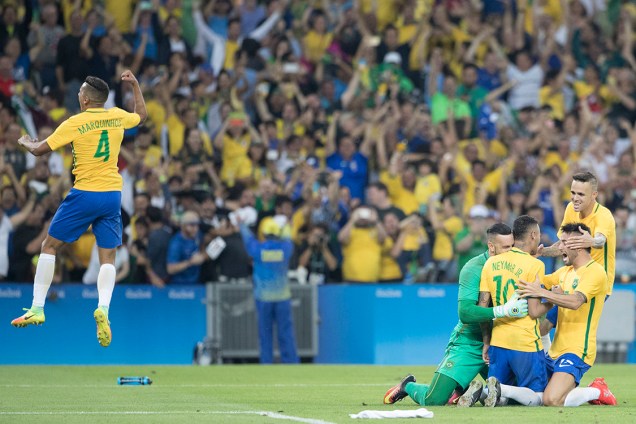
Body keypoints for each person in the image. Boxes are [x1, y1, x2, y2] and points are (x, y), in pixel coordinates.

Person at [10, 71, 147, 349]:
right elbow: (141, 115)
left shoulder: (74, 122)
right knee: (108, 257)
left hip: (84, 193)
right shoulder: (117, 116)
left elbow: (39, 151)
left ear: (84, 99)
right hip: (111, 195)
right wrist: (134, 84)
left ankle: (37, 307)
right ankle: (104, 310)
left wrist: (25, 142)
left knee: (49, 246)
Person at [383, 223, 529, 407]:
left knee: (515, 399)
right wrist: (502, 311)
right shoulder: (473, 268)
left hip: (499, 342)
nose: (511, 252)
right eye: (506, 247)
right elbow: (465, 313)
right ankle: (408, 386)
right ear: (491, 246)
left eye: (512, 246)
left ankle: (465, 390)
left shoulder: (515, 265)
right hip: (469, 342)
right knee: (434, 400)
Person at [509, 222, 617, 407]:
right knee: (536, 395)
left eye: (564, 242)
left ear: (579, 245)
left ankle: (597, 390)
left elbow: (575, 301)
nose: (559, 247)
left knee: (551, 400)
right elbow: (534, 279)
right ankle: (570, 389)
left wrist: (544, 293)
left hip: (578, 351)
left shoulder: (596, 272)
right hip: (554, 352)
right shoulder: (564, 272)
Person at [475, 215, 547, 407]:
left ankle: (484, 391)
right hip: (525, 343)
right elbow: (534, 311)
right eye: (539, 234)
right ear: (533, 234)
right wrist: (552, 300)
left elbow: (483, 308)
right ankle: (497, 389)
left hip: (498, 342)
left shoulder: (490, 263)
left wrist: (486, 341)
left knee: (501, 402)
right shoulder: (535, 265)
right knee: (537, 397)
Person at [539, 172, 616, 350]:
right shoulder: (570, 210)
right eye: (573, 193)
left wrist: (591, 241)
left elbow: (600, 241)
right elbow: (562, 245)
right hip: (570, 276)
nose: (575, 198)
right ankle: (546, 368)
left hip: (595, 281)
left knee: (563, 328)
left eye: (581, 194)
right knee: (545, 326)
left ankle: (563, 369)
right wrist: (542, 252)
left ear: (594, 195)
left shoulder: (604, 216)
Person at [239, 216, 299, 364]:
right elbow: (288, 237)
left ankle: (266, 363)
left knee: (265, 334)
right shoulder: (285, 249)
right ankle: (291, 363)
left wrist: (242, 224)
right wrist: (286, 226)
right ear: (277, 234)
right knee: (286, 333)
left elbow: (248, 239)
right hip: (283, 297)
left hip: (263, 298)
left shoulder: (258, 250)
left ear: (264, 234)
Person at [166, 210, 208, 285]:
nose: (196, 228)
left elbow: (203, 244)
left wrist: (203, 255)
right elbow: (170, 269)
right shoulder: (176, 243)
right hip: (180, 287)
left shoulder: (197, 235)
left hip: (196, 284)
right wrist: (190, 262)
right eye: (192, 225)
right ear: (183, 226)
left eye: (197, 225)